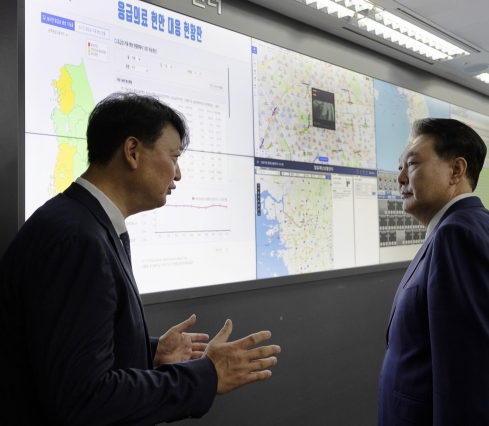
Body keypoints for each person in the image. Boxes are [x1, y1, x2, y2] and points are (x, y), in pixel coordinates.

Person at [0, 93, 281, 425]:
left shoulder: (80, 222)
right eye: (174, 157)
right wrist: (206, 375)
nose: (178, 174)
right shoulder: (78, 239)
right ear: (132, 151)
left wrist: (150, 353)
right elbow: (84, 400)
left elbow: (66, 350)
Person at [378, 118, 489, 426]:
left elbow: (469, 381)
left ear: (456, 170)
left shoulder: (457, 237)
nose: (398, 178)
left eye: (410, 164)